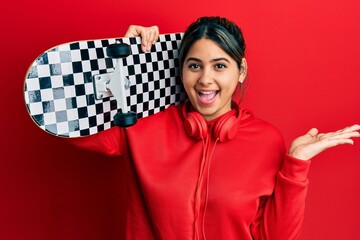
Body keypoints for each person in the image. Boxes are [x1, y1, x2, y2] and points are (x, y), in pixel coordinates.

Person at [71, 17, 360, 240]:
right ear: (181, 70)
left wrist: (296, 163)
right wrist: (116, 65)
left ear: (241, 70)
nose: (205, 79)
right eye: (194, 66)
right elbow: (70, 132)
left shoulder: (267, 140)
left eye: (220, 66)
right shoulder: (141, 127)